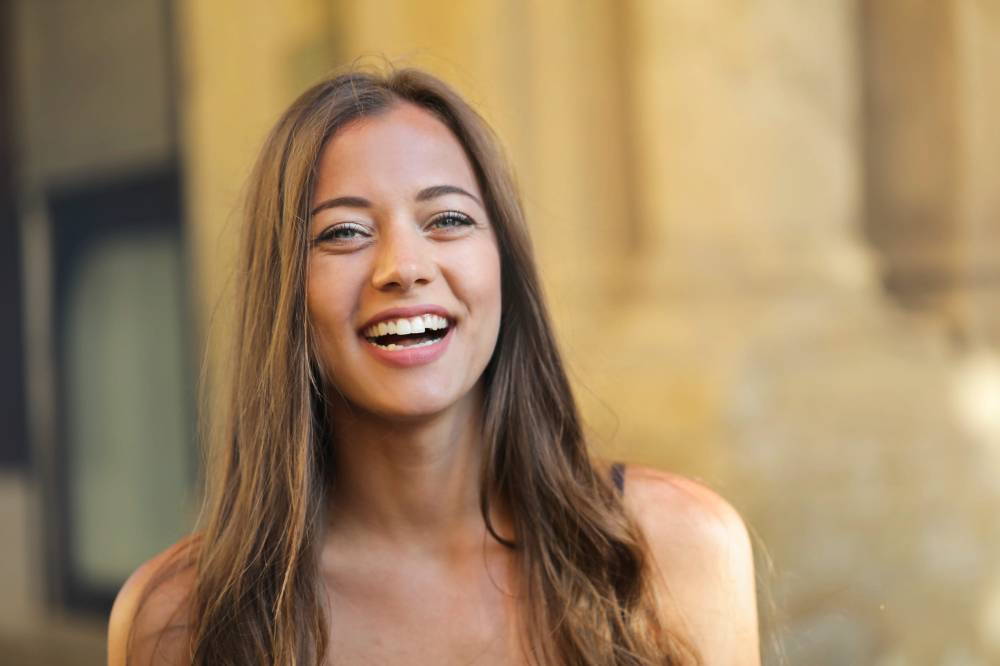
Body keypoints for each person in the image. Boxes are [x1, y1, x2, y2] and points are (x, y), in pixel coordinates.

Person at [107, 66, 759, 665]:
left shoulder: (677, 550)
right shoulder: (181, 620)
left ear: (504, 263)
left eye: (447, 219)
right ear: (287, 295)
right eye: (343, 233)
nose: (404, 267)